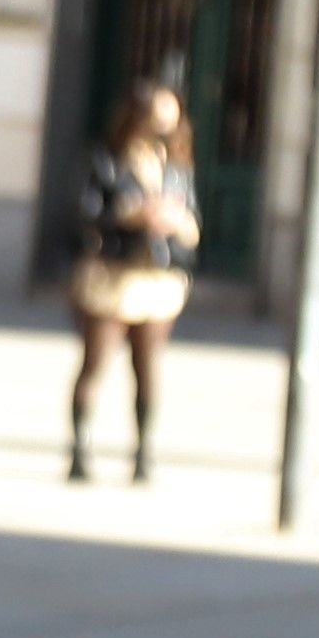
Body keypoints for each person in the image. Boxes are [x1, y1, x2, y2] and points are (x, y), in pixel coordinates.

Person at [68, 78, 197, 486]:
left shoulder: (176, 168)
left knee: (148, 366)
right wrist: (132, 213)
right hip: (113, 276)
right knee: (96, 362)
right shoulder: (108, 160)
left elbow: (194, 222)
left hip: (156, 279)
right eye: (154, 122)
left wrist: (178, 222)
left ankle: (143, 454)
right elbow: (89, 212)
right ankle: (80, 450)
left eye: (169, 124)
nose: (162, 132)